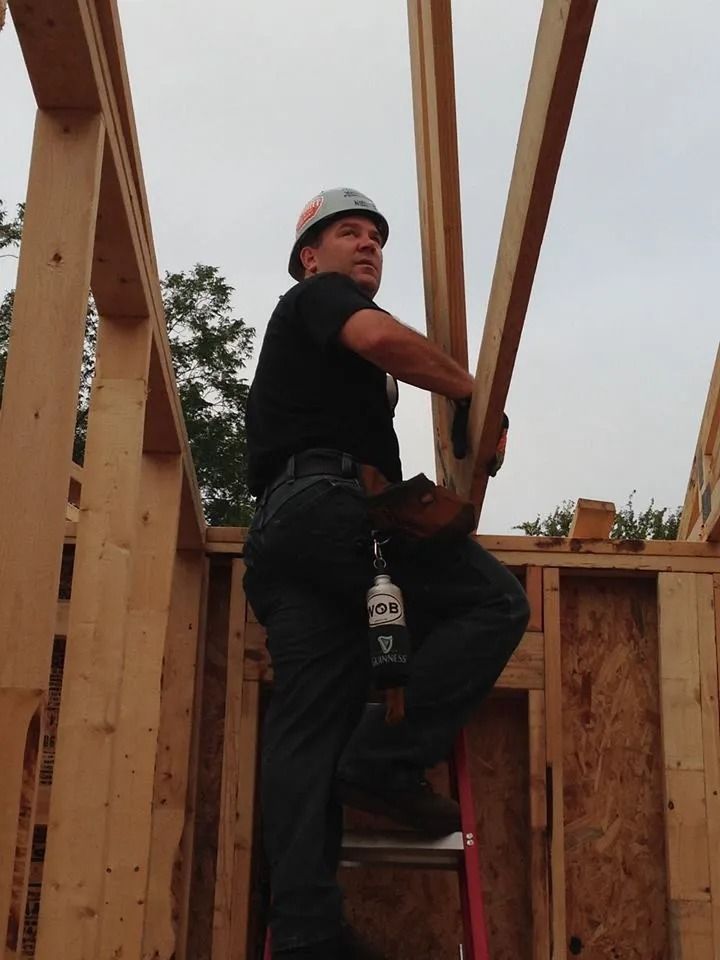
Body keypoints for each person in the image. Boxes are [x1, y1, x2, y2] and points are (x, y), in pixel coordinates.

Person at [243, 188, 530, 959]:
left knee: (309, 727)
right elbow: (377, 336)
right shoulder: (319, 302)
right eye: (348, 233)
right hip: (330, 507)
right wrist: (476, 395)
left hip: (286, 537)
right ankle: (383, 760)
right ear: (311, 256)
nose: (368, 244)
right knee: (495, 604)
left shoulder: (319, 351)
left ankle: (306, 934)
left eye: (376, 236)